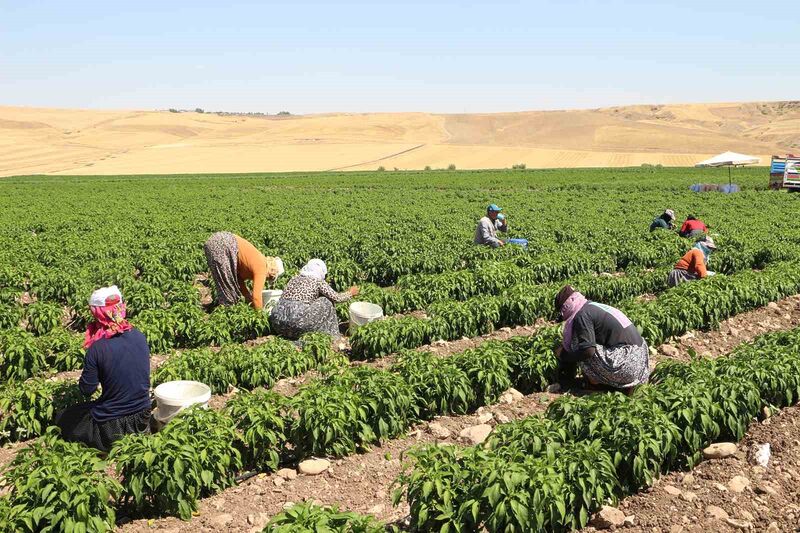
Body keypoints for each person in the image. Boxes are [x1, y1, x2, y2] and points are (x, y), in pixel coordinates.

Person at [55, 286, 151, 452]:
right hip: (143, 417)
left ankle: (102, 447)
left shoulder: (98, 348)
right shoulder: (139, 335)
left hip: (112, 426)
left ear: (97, 313)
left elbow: (87, 389)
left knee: (64, 418)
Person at [553, 285, 650, 392]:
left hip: (627, 366)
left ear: (565, 307)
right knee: (586, 340)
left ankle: (597, 383)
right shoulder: (592, 306)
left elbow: (588, 352)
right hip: (640, 363)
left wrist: (563, 355)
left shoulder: (581, 315)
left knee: (577, 342)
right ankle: (617, 383)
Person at [270, 259, 359, 339]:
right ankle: (331, 334)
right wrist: (350, 293)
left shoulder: (294, 279)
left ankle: (287, 334)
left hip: (278, 323)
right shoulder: (317, 281)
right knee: (326, 301)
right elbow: (337, 298)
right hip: (296, 324)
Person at [204, 231, 284, 310]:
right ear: (272, 272)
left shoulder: (257, 262)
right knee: (228, 293)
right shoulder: (262, 267)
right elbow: (256, 297)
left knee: (225, 286)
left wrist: (247, 296)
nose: (267, 279)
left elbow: (238, 279)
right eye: (270, 278)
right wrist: (260, 316)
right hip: (223, 244)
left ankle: (225, 310)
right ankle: (227, 313)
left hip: (214, 242)